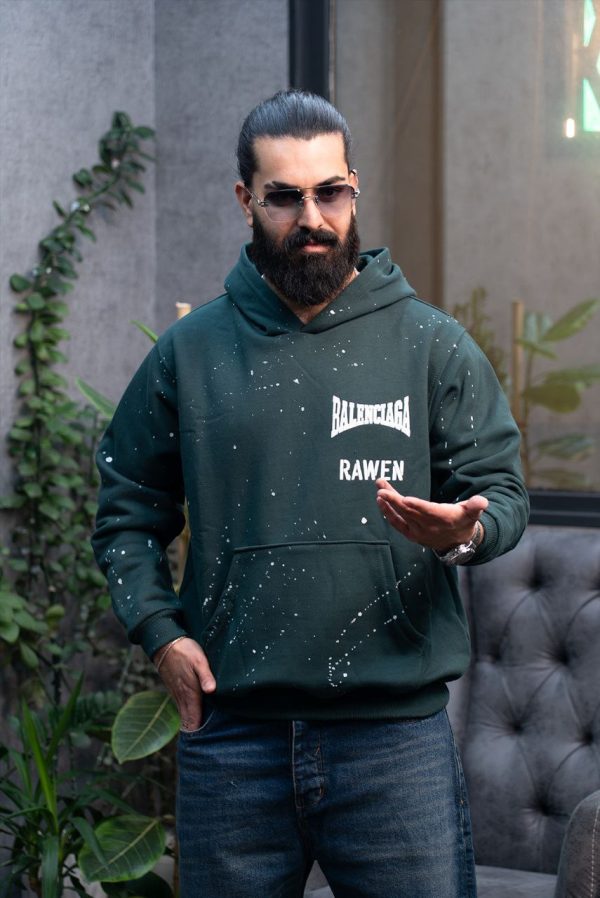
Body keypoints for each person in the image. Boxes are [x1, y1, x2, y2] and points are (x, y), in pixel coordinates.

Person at [92, 89, 529, 898]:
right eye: (285, 197)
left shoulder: (431, 344)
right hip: (233, 741)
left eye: (331, 192)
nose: (313, 218)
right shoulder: (190, 352)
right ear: (245, 200)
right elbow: (124, 509)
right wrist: (160, 633)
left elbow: (500, 494)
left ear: (355, 189)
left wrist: (462, 534)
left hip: (394, 744)